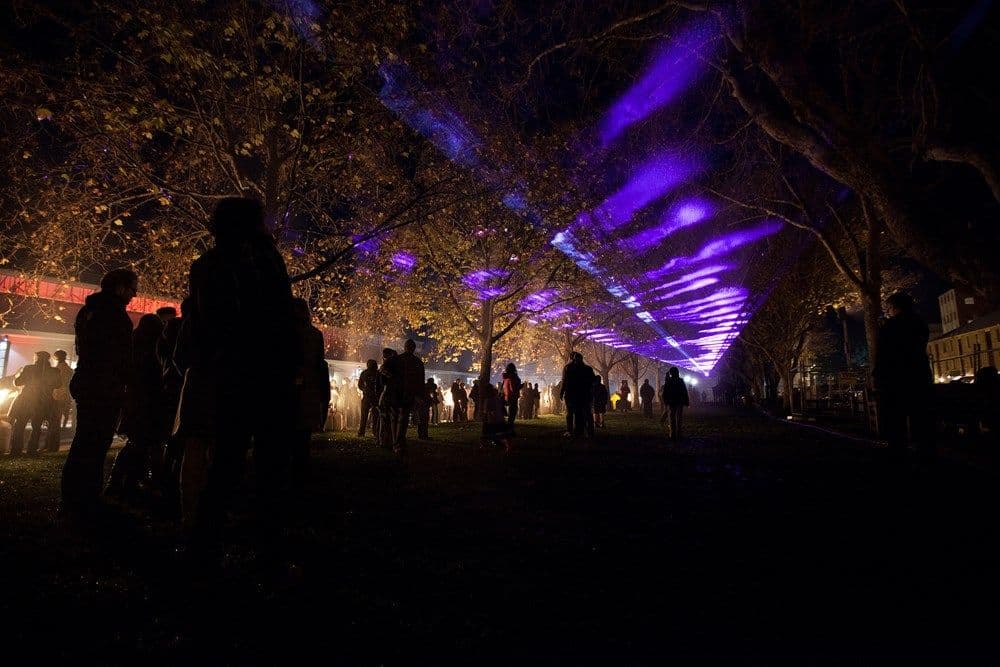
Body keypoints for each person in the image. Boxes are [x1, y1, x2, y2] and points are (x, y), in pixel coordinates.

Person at [185, 197, 299, 557]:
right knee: (270, 462)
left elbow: (208, 321)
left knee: (227, 460)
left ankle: (208, 538)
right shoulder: (266, 260)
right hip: (266, 374)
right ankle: (266, 541)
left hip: (232, 374)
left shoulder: (208, 264)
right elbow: (281, 317)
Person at [60, 269, 137, 519]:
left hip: (88, 382)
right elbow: (119, 356)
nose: (134, 294)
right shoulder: (114, 315)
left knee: (84, 441)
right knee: (95, 442)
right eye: (132, 288)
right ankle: (87, 498)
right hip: (104, 386)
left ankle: (74, 496)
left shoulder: (89, 311)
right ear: (120, 287)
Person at [107, 314, 165, 501]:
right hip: (146, 404)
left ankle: (122, 481)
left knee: (137, 443)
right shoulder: (149, 352)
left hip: (135, 403)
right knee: (140, 444)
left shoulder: (133, 347)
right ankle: (123, 482)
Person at [872, 292, 934, 459]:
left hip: (895, 378)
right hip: (919, 375)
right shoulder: (920, 323)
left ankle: (898, 450)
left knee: (895, 416)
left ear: (894, 308)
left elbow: (883, 354)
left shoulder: (890, 327)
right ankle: (923, 449)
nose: (888, 311)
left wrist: (878, 375)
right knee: (918, 415)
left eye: (889, 308)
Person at [289, 298, 331, 486]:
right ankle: (300, 468)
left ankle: (293, 469)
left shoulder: (286, 332)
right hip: (308, 387)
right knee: (302, 432)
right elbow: (319, 362)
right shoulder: (314, 334)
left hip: (291, 387)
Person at [8, 351, 60, 456]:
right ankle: (32, 449)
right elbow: (58, 384)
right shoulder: (54, 371)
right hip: (43, 402)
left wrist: (17, 375)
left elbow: (18, 382)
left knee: (20, 425)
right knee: (36, 427)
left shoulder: (29, 368)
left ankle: (16, 449)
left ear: (37, 358)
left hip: (26, 401)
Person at [381, 339, 424, 454]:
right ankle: (398, 443)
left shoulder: (396, 359)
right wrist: (419, 395)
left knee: (395, 419)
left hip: (396, 393)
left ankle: (396, 442)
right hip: (406, 394)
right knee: (402, 419)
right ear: (413, 348)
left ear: (405, 347)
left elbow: (383, 370)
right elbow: (420, 381)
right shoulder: (417, 362)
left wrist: (389, 380)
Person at [560, 353, 596, 438]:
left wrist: (562, 391)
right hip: (584, 394)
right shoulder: (587, 369)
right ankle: (585, 431)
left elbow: (565, 381)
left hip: (571, 394)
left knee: (571, 413)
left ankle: (571, 430)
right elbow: (593, 380)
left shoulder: (568, 368)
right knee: (583, 413)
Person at [660, 367, 690, 440]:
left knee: (672, 417)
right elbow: (684, 391)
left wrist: (665, 401)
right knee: (679, 417)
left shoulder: (669, 381)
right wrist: (686, 401)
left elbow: (665, 392)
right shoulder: (680, 380)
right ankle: (679, 433)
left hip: (672, 401)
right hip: (679, 401)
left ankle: (672, 433)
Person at [51, 349, 74, 432]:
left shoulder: (56, 369)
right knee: (66, 412)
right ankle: (63, 427)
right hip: (67, 392)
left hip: (57, 393)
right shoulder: (69, 369)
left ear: (57, 358)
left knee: (57, 412)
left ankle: (56, 427)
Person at [357, 359, 381, 437]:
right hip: (374, 398)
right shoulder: (377, 373)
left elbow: (360, 385)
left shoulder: (364, 373)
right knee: (375, 416)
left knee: (365, 416)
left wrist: (364, 389)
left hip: (368, 397)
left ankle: (362, 432)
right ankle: (375, 432)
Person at [501, 363, 523, 430]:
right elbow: (513, 388)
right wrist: (521, 386)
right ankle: (510, 428)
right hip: (513, 397)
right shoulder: (512, 377)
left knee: (510, 413)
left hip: (507, 397)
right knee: (512, 413)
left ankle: (508, 427)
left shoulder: (505, 377)